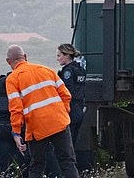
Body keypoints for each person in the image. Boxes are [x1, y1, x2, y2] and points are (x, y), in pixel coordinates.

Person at [5, 44, 79, 178]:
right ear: (25, 57)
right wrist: (63, 113)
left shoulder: (12, 79)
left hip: (36, 127)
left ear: (8, 62)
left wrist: (16, 133)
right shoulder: (46, 70)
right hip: (59, 122)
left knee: (37, 165)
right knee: (67, 162)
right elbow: (66, 95)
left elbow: (16, 108)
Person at [0, 72, 30, 178]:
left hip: (1, 127)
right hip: (20, 127)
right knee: (25, 161)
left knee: (4, 162)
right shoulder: (23, 83)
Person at [56, 44, 93, 173]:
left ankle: (67, 170)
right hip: (80, 107)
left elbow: (66, 92)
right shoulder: (80, 69)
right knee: (73, 139)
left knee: (66, 142)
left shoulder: (67, 71)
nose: (58, 58)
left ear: (67, 56)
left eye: (59, 55)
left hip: (70, 108)